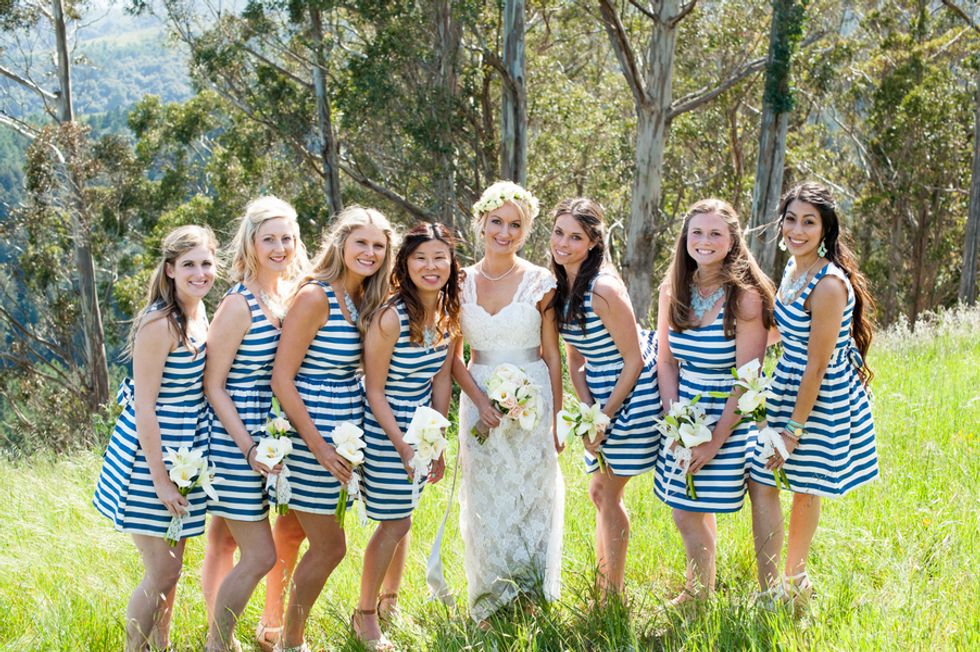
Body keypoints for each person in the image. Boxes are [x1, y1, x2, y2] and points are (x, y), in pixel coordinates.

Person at [269, 206, 396, 652]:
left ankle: (279, 632)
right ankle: (291, 643)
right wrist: (320, 447)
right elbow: (282, 378)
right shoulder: (316, 297)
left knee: (307, 536)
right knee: (330, 547)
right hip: (311, 434)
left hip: (345, 429)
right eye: (361, 242)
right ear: (341, 243)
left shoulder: (364, 298)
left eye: (378, 246)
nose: (370, 252)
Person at [747, 182, 878, 609]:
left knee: (805, 486)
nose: (797, 231)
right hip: (788, 380)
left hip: (821, 395)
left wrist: (793, 431)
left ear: (825, 230)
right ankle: (779, 585)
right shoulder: (793, 269)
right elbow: (781, 330)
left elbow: (817, 366)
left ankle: (794, 581)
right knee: (763, 477)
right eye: (791, 220)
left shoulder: (828, 284)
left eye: (809, 222)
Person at [93, 225, 218, 651]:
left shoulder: (200, 313)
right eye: (189, 265)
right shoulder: (159, 323)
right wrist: (161, 480)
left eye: (206, 263)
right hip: (149, 457)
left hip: (186, 452)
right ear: (170, 269)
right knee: (162, 571)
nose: (199, 273)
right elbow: (144, 406)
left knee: (173, 568)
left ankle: (159, 645)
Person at [453, 181, 565, 622]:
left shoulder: (540, 282)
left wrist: (556, 417)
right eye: (497, 222)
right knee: (486, 495)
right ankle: (487, 598)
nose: (505, 232)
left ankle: (530, 594)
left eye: (515, 225)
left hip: (533, 396)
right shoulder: (459, 282)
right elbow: (453, 356)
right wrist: (479, 401)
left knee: (531, 493)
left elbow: (552, 353)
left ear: (526, 230)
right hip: (477, 396)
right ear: (481, 223)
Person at [200, 197, 308, 651]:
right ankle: (218, 642)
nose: (280, 248)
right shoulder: (237, 303)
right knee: (260, 554)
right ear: (251, 244)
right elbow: (213, 385)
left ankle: (218, 632)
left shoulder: (288, 293)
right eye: (269, 239)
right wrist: (248, 447)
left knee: (224, 537)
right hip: (234, 437)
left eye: (287, 238)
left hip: (272, 431)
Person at [653, 199, 774, 603]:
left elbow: (747, 379)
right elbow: (666, 361)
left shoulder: (745, 298)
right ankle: (699, 591)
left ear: (732, 240)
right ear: (686, 239)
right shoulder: (673, 290)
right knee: (687, 507)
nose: (704, 241)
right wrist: (675, 420)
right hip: (685, 409)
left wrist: (714, 441)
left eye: (715, 233)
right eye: (697, 233)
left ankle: (703, 596)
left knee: (690, 509)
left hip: (729, 415)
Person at [353, 222, 460, 648]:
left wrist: (436, 441)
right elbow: (374, 390)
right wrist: (401, 444)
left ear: (451, 263)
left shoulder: (448, 314)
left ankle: (389, 601)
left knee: (404, 517)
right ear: (405, 263)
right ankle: (364, 615)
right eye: (420, 258)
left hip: (421, 429)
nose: (431, 267)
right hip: (386, 429)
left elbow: (442, 381)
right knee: (394, 521)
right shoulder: (390, 317)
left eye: (439, 258)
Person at [549, 197, 661, 599]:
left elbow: (634, 360)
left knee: (606, 492)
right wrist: (586, 410)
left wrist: (604, 416)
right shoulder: (563, 286)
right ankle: (606, 587)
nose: (563, 243)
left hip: (632, 391)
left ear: (594, 242)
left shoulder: (605, 288)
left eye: (575, 237)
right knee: (600, 493)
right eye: (558, 233)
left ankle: (612, 595)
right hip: (598, 392)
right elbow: (575, 356)